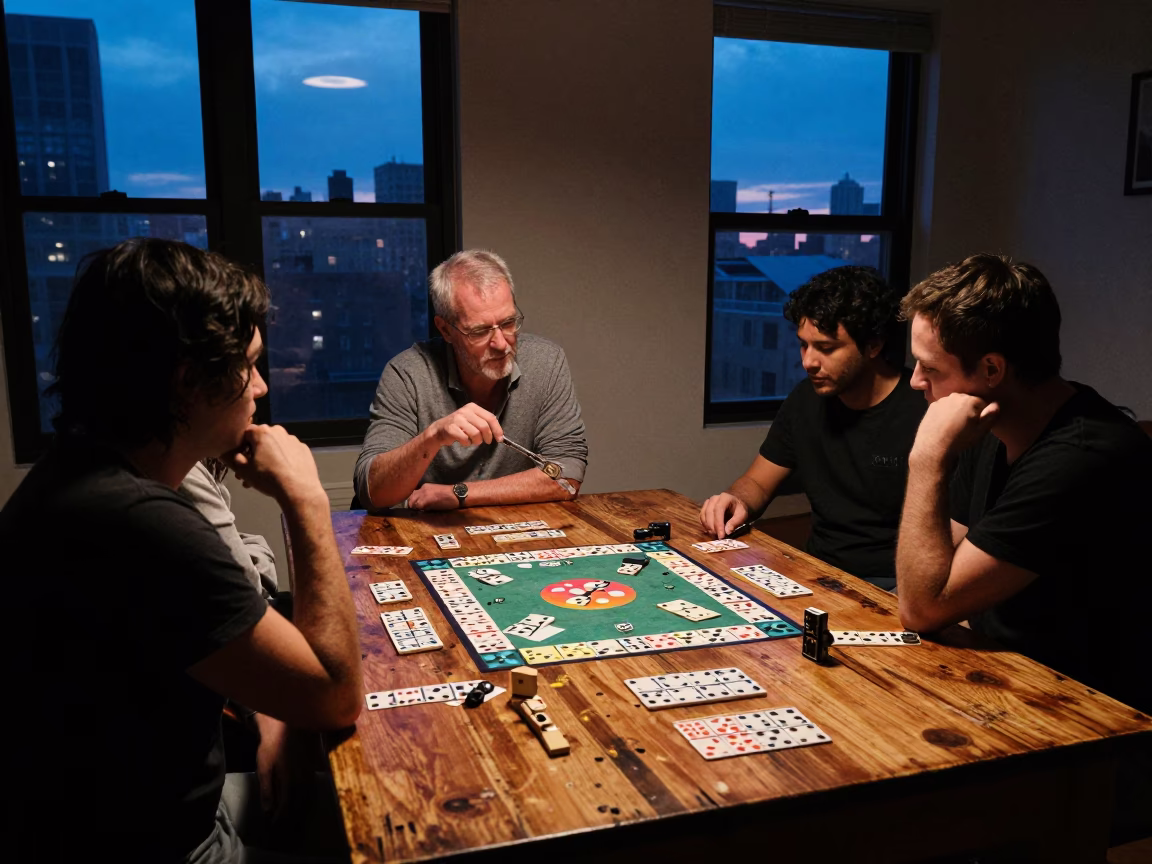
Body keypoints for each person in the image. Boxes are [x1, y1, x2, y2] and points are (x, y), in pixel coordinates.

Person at [1, 238, 361, 862]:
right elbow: (333, 696)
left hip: (148, 811)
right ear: (188, 383)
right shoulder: (137, 523)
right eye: (247, 366)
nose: (262, 387)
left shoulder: (84, 473)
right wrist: (306, 502)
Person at [896, 253, 1151, 844]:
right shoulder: (994, 427)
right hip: (1006, 685)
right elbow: (935, 570)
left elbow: (925, 604)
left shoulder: (1084, 456)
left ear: (991, 368)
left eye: (928, 367)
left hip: (1095, 736)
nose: (914, 382)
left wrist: (926, 458)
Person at [699, 266, 926, 590]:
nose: (808, 361)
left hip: (896, 584)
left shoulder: (923, 408)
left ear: (873, 345)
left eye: (826, 348)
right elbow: (757, 483)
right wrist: (736, 501)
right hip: (816, 572)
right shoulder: (806, 398)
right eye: (804, 345)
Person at [354, 250, 587, 511]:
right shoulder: (407, 372)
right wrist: (433, 436)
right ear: (445, 330)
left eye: (508, 322)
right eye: (479, 331)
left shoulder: (546, 361)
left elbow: (566, 475)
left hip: (508, 533)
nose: (501, 344)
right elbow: (371, 492)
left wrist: (460, 493)